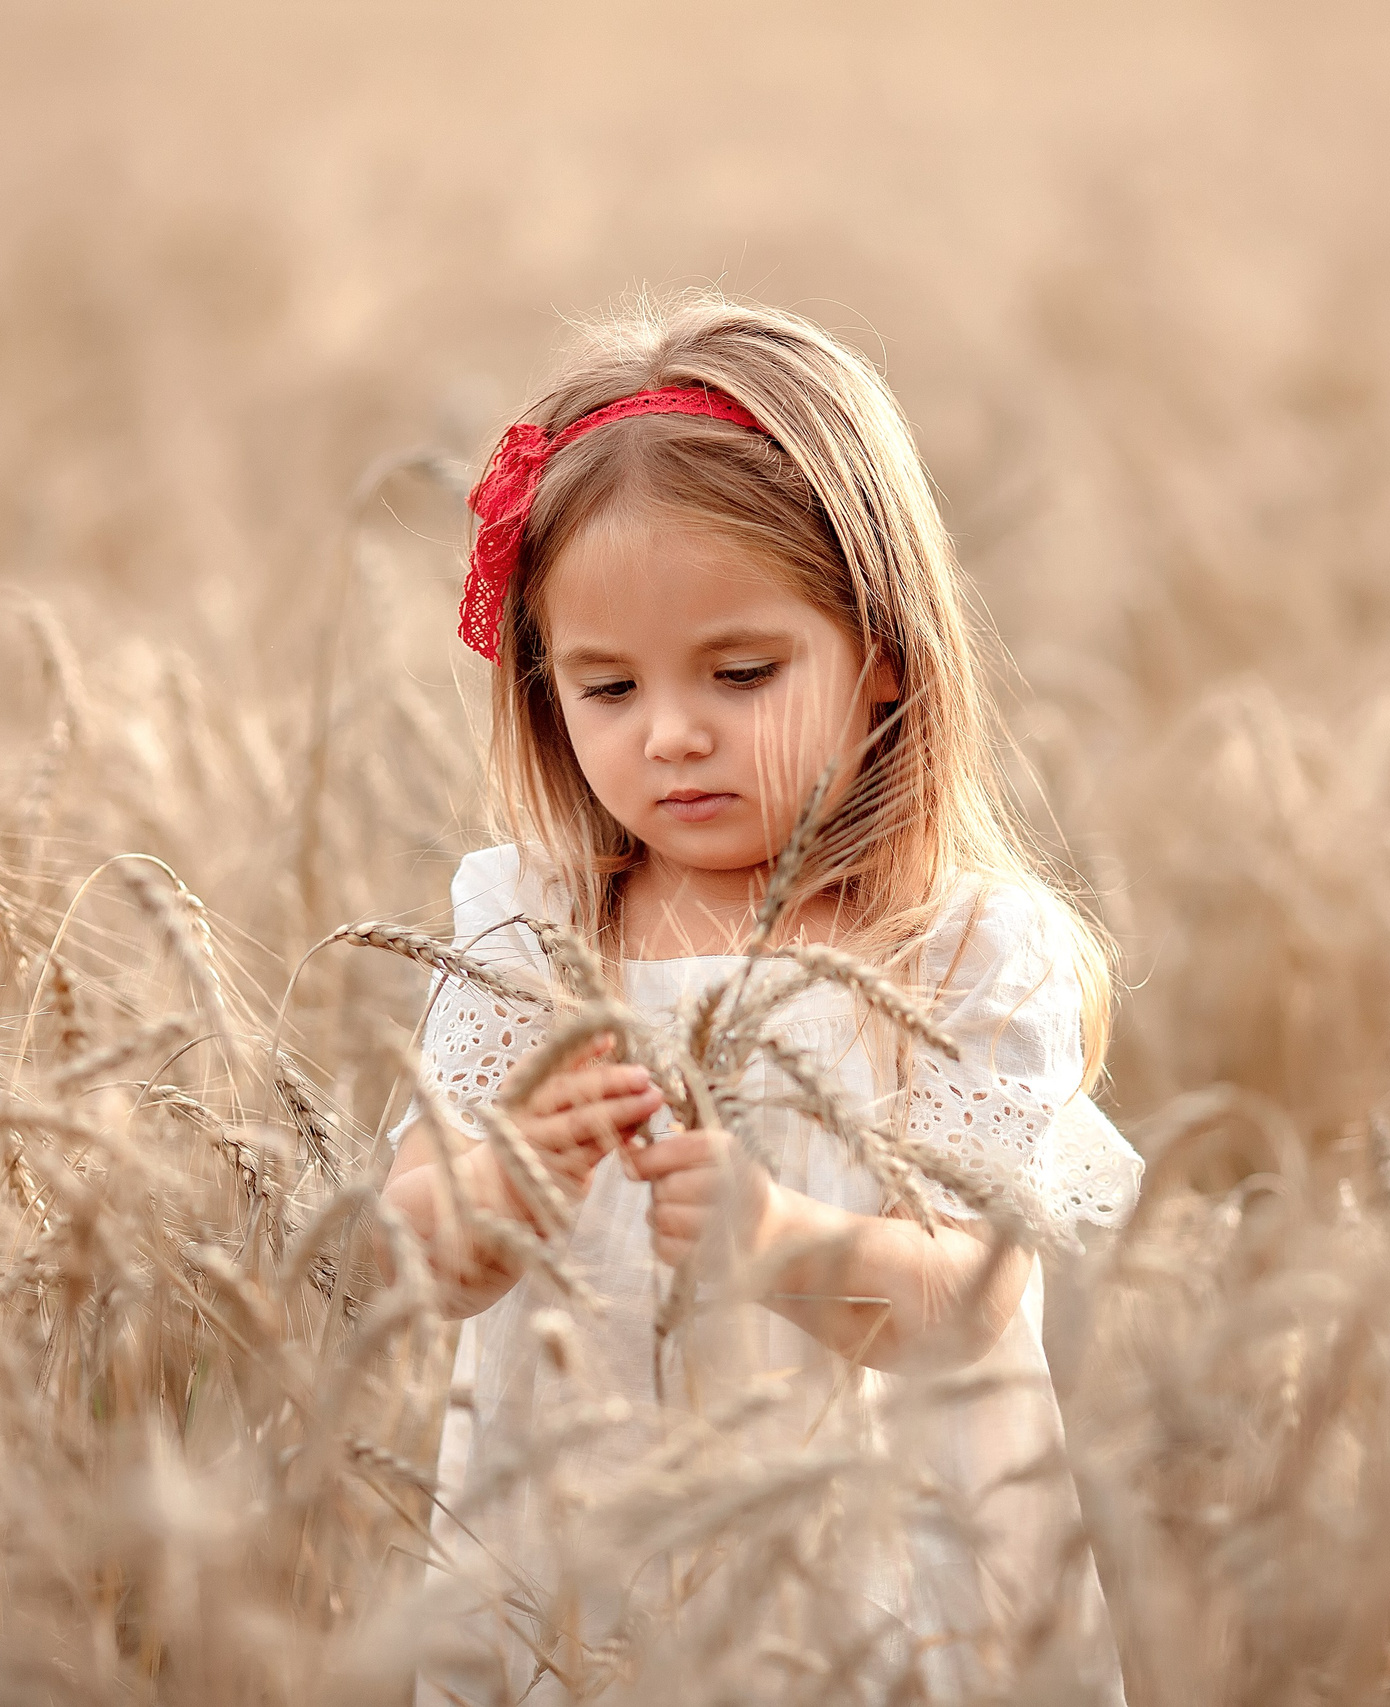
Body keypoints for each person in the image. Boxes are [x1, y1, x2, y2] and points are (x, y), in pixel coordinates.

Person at [379, 293, 1140, 1705]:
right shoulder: (533, 934)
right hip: (589, 1566)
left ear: (885, 659)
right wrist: (503, 1184)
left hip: (882, 1577)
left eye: (741, 672)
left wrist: (775, 1237)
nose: (672, 732)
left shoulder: (959, 953)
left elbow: (971, 1302)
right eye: (605, 688)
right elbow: (409, 1243)